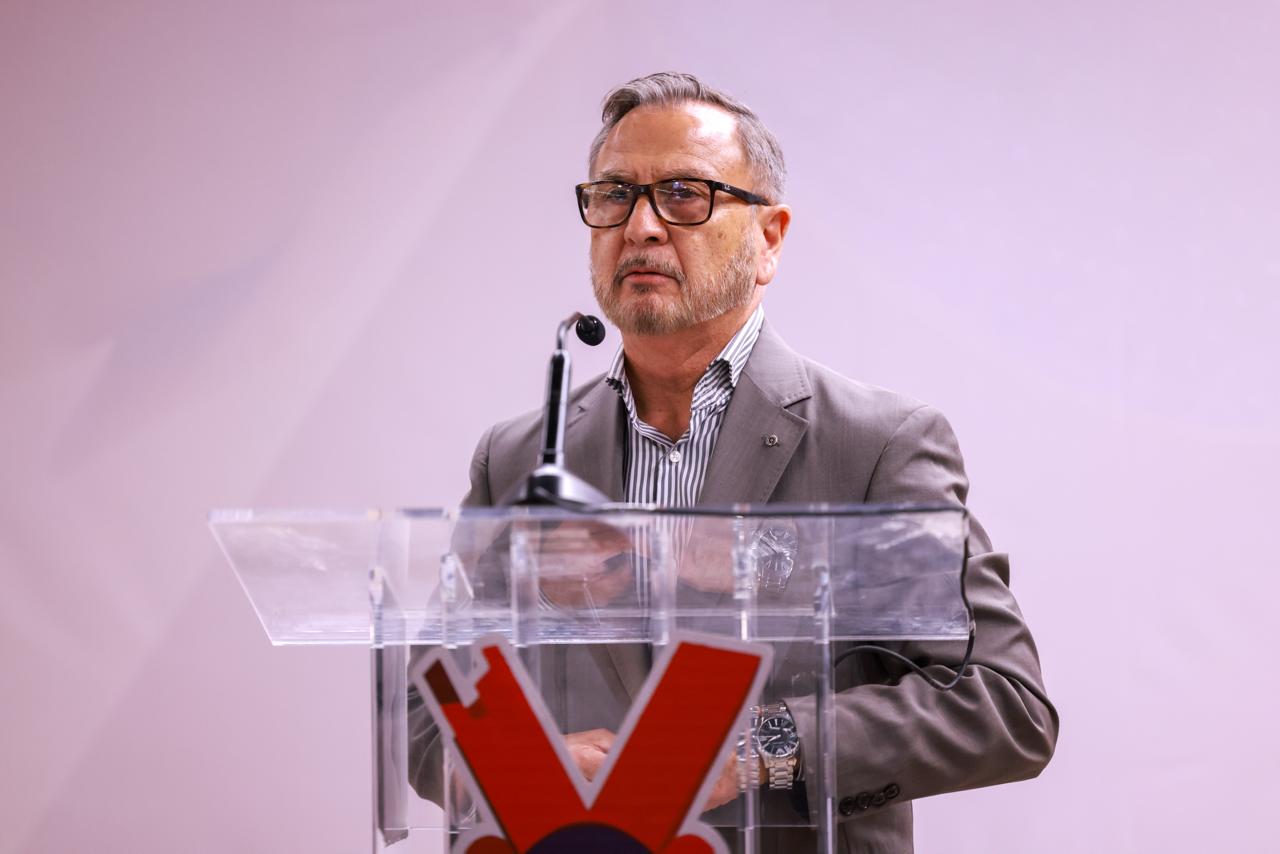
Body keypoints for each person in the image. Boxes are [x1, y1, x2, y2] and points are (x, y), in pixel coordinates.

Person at [413, 71, 1057, 853]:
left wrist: (759, 747)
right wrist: (519, 761)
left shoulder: (878, 445)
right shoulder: (518, 459)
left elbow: (1003, 704)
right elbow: (427, 710)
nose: (641, 226)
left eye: (684, 195)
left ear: (769, 238)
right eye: (615, 195)